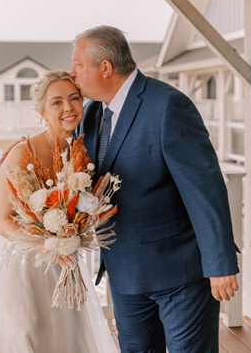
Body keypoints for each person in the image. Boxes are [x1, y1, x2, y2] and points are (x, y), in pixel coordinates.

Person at [70, 25, 239, 353]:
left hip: (180, 273)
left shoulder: (168, 106)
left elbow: (204, 189)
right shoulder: (89, 114)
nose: (72, 72)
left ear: (105, 67)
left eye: (78, 63)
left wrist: (220, 265)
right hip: (124, 271)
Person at [0, 71, 117, 353]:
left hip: (61, 267)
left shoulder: (82, 152)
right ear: (41, 111)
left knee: (65, 341)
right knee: (26, 336)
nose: (68, 107)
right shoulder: (20, 153)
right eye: (56, 102)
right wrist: (49, 246)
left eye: (74, 98)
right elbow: (1, 222)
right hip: (20, 270)